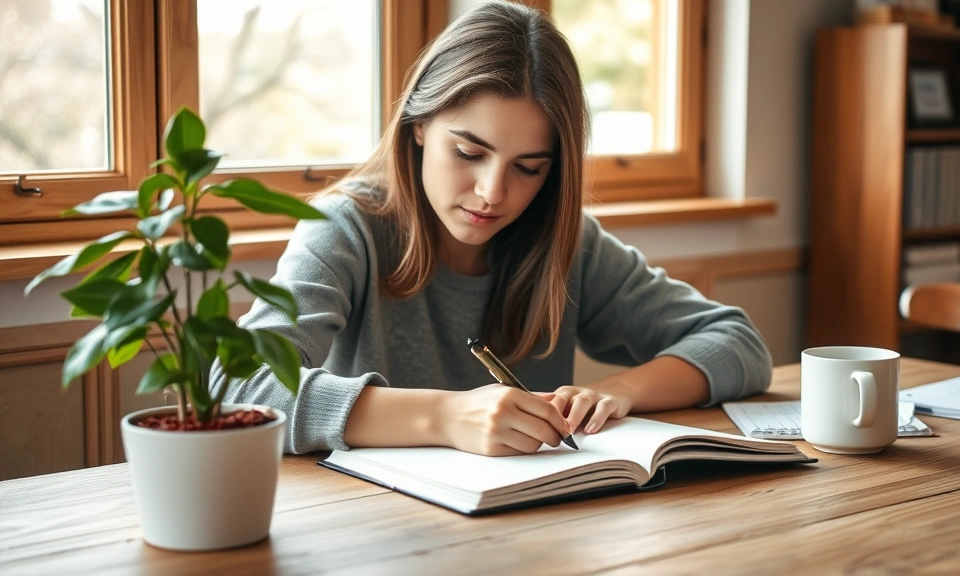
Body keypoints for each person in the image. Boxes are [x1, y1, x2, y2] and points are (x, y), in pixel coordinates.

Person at [217, 0, 772, 457]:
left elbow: (738, 344)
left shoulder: (564, 240)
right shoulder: (345, 229)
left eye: (529, 167)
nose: (494, 192)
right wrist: (445, 415)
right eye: (468, 151)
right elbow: (242, 388)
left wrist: (614, 393)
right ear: (417, 127)